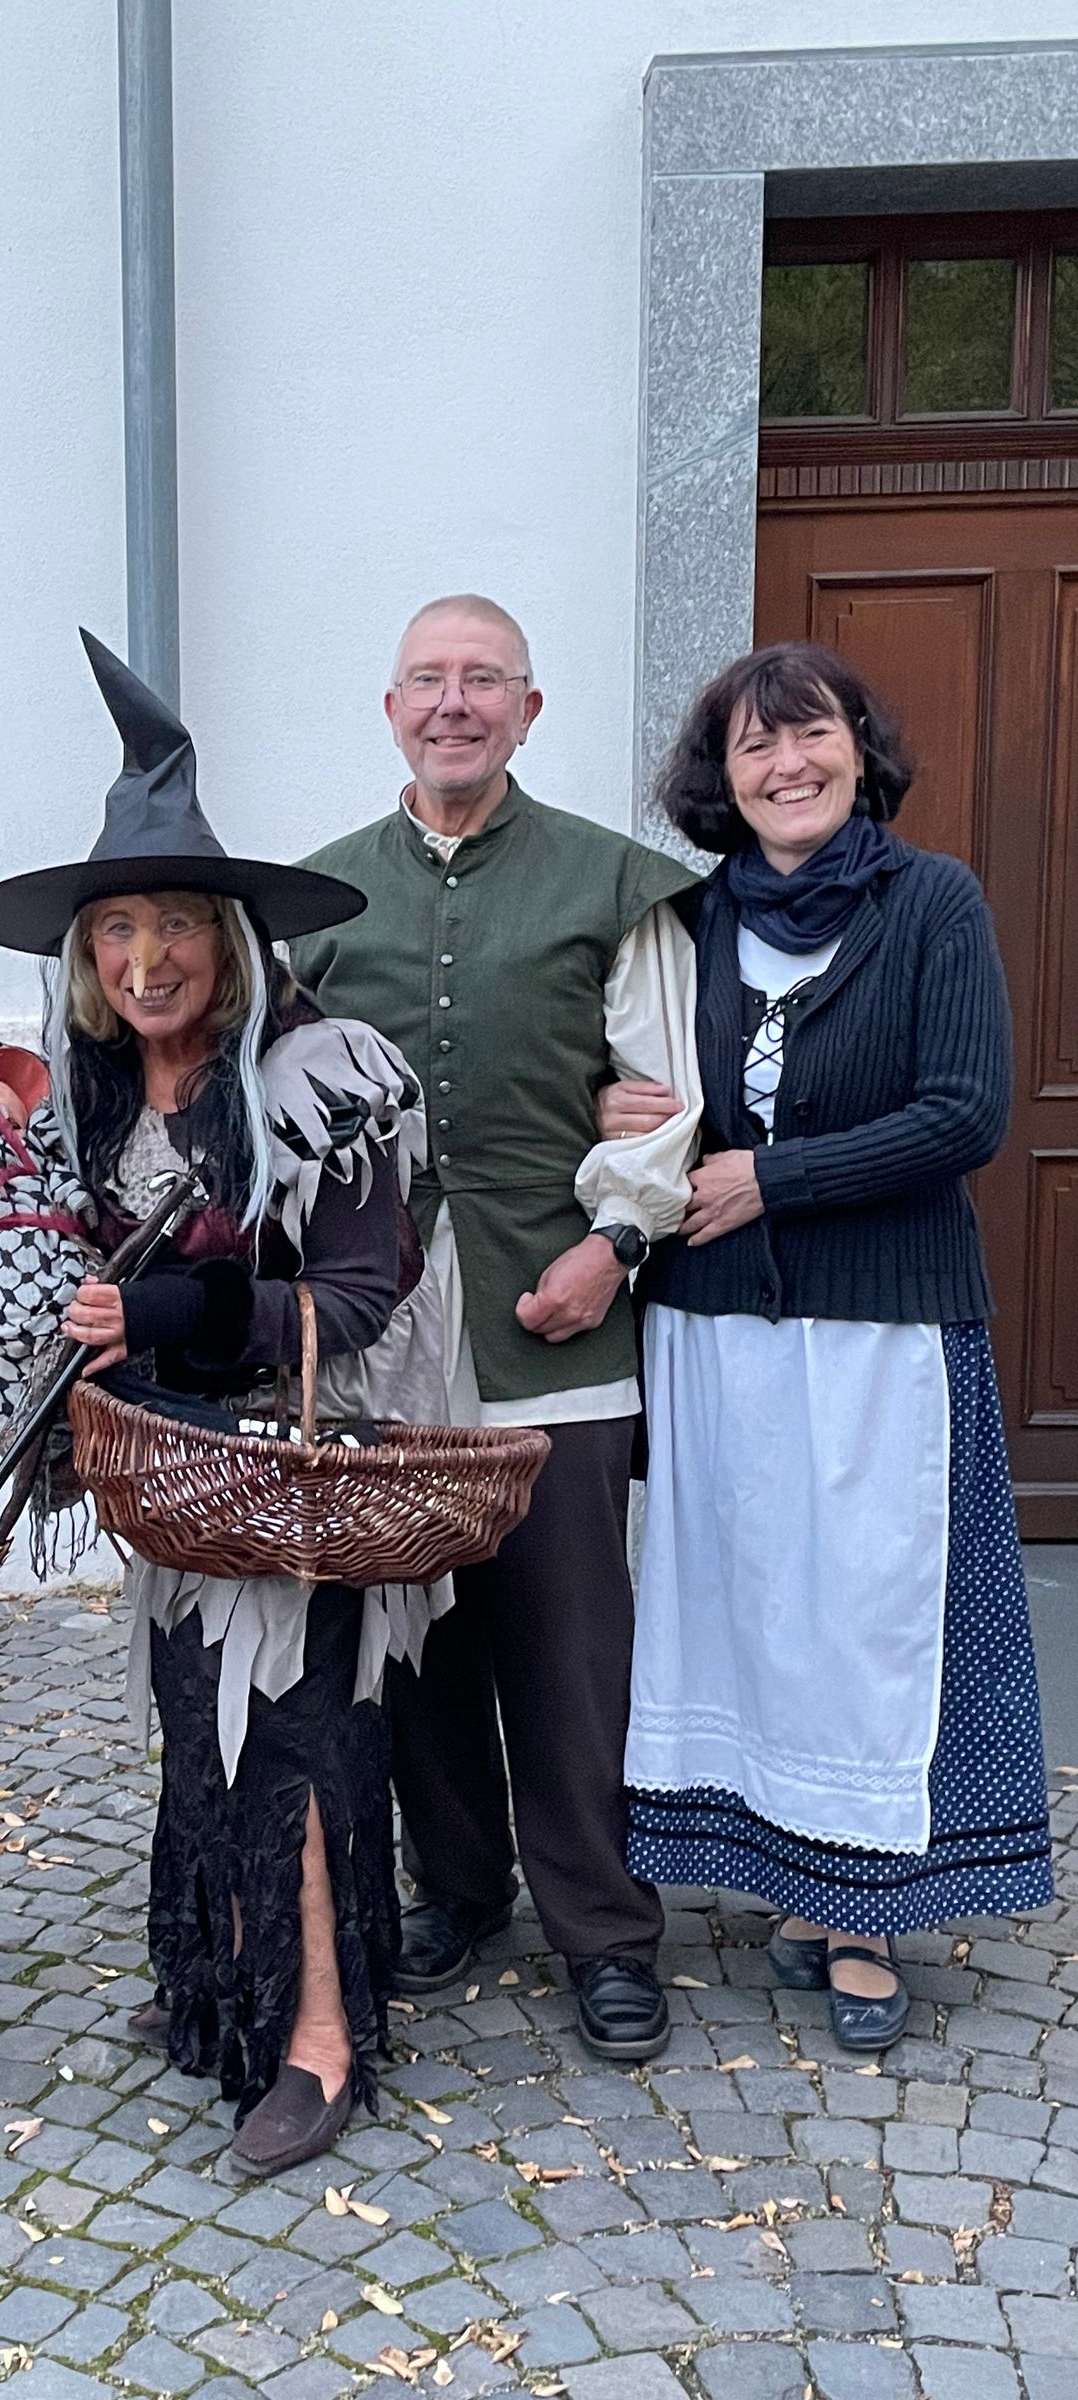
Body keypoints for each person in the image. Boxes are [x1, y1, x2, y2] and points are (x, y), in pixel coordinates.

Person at [0, 631, 464, 2173]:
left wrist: (178, 1306)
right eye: (117, 928)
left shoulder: (330, 1072)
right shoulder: (102, 1093)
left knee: (304, 1741)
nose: (147, 959)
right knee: (198, 1730)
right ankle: (216, 1988)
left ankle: (319, 2040)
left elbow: (366, 1298)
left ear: (232, 939)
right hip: (177, 1480)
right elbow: (57, 1253)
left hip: (316, 1471)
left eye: (179, 923)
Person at [284, 595, 700, 2061]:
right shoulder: (319, 901)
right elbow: (272, 1108)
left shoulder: (610, 884)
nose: (454, 702)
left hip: (556, 1314)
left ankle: (605, 1930)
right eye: (428, 680)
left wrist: (614, 1242)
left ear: (531, 709)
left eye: (485, 681)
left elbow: (668, 1092)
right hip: (389, 1338)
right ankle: (458, 1887)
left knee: (572, 1643)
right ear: (389, 706)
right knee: (421, 1639)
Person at [620, 640, 1053, 2049]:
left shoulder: (931, 902)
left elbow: (966, 1113)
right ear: (720, 778)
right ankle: (772, 1874)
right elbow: (650, 1097)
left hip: (882, 1328)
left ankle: (863, 1906)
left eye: (811, 736)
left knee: (862, 1615)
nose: (787, 765)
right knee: (743, 1604)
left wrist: (771, 1180)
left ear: (860, 752)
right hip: (715, 1327)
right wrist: (633, 1126)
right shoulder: (685, 926)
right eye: (756, 747)